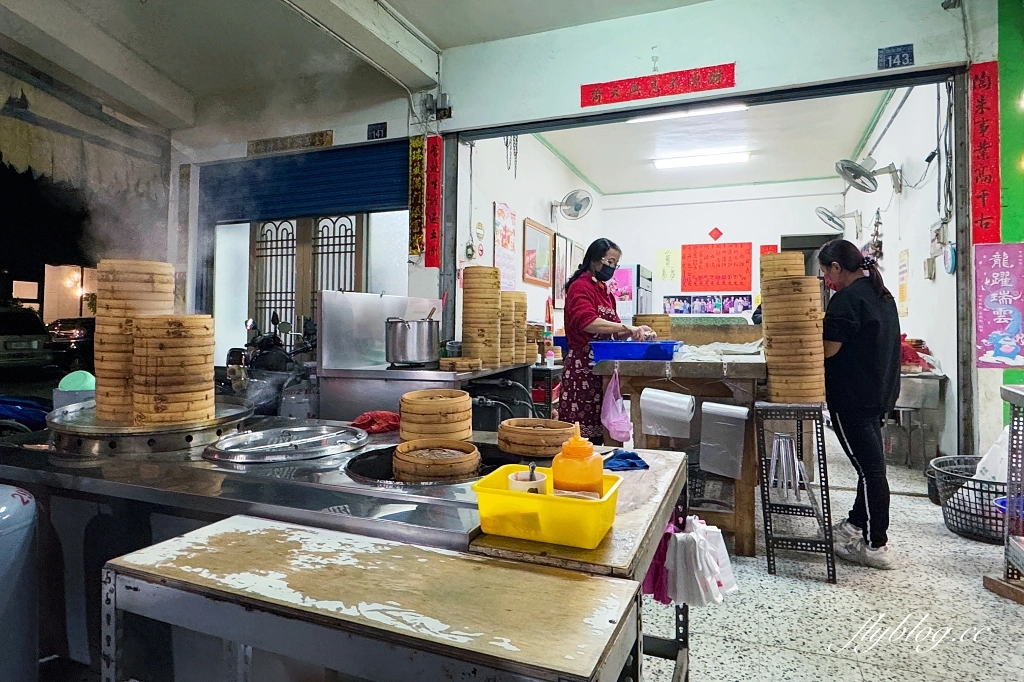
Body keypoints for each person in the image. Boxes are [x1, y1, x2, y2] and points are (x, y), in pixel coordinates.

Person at [818, 239, 901, 570]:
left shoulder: (846, 301)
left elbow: (827, 351)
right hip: (879, 395)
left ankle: (875, 546)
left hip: (852, 398)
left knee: (871, 471)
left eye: (825, 272)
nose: (825, 280)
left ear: (837, 268)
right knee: (868, 466)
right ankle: (855, 523)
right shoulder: (881, 294)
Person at [561, 238, 653, 443]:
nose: (612, 268)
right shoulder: (580, 287)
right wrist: (625, 327)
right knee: (581, 438)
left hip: (604, 370)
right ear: (594, 260)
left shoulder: (605, 292)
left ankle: (603, 469)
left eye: (615, 264)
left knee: (603, 433)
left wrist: (635, 331)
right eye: (609, 262)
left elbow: (615, 331)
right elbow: (588, 322)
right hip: (583, 370)